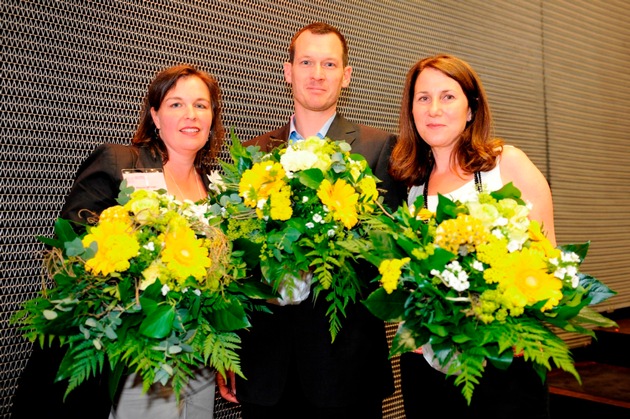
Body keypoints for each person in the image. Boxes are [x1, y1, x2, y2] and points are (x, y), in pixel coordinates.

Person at [12, 64, 224, 419]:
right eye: (176, 104)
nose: (191, 115)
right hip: (128, 360)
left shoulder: (218, 186)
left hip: (194, 364)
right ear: (155, 115)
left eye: (201, 105)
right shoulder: (119, 162)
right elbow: (69, 255)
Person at [216, 22, 405, 419]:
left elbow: (394, 252)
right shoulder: (253, 154)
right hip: (265, 371)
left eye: (329, 64)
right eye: (306, 62)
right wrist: (227, 349)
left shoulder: (380, 148)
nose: (317, 74)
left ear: (346, 76)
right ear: (288, 71)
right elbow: (233, 264)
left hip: (345, 370)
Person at [391, 53, 555, 419]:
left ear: (470, 109)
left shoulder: (505, 164)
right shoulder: (414, 186)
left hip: (501, 358)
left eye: (447, 96)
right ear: (412, 110)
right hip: (426, 366)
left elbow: (547, 265)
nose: (434, 108)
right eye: (423, 98)